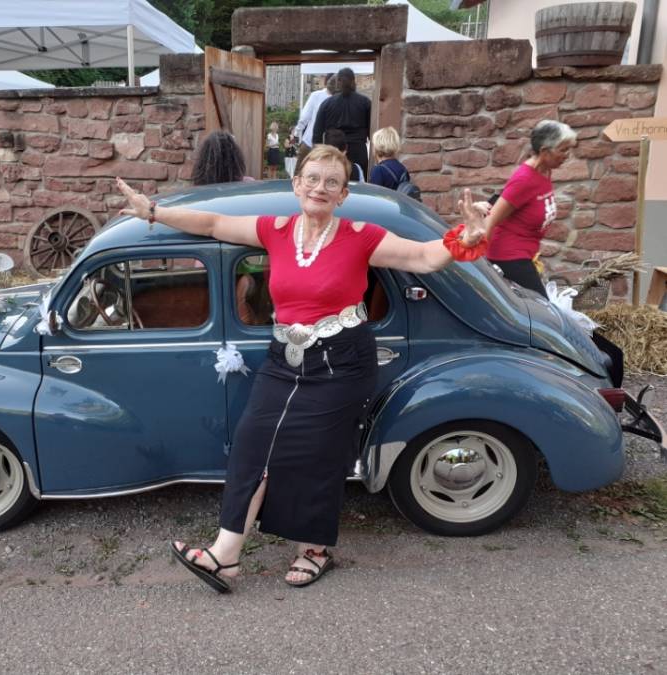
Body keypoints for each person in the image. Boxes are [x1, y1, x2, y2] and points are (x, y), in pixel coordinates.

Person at [114, 145, 488, 593]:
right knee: (252, 444)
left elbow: (423, 257)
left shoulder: (361, 235)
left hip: (342, 361)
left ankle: (314, 550)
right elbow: (212, 223)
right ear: (297, 184)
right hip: (285, 358)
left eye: (332, 182)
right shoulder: (276, 230)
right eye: (312, 178)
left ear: (343, 194)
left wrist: (465, 237)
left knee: (316, 455)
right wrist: (153, 211)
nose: (319, 188)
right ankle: (225, 555)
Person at [483, 119, 577, 296]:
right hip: (507, 257)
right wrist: (479, 265)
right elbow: (491, 219)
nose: (567, 155)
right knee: (542, 307)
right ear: (544, 151)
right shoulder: (524, 180)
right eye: (563, 150)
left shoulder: (545, 171)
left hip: (525, 254)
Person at [311, 68, 371, 179]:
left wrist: (318, 156)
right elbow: (371, 131)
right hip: (358, 150)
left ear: (338, 82)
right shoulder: (365, 102)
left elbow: (317, 134)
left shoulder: (327, 104)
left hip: (332, 150)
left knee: (332, 182)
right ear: (354, 81)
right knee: (358, 186)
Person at [293, 74, 336, 164]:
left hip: (310, 141)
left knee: (301, 169)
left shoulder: (316, 95)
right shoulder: (340, 99)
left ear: (325, 82)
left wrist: (296, 132)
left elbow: (305, 117)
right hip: (331, 146)